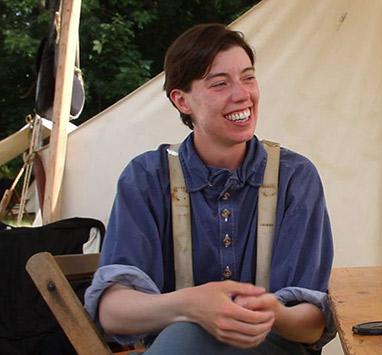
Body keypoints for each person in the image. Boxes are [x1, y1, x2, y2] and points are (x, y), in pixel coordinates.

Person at [84, 23, 335, 354]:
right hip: (178, 347)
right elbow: (112, 312)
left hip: (273, 348)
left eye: (248, 77)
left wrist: (271, 312)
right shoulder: (146, 177)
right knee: (183, 338)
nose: (242, 94)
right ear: (182, 100)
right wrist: (190, 305)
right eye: (220, 84)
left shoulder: (295, 177)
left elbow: (312, 323)